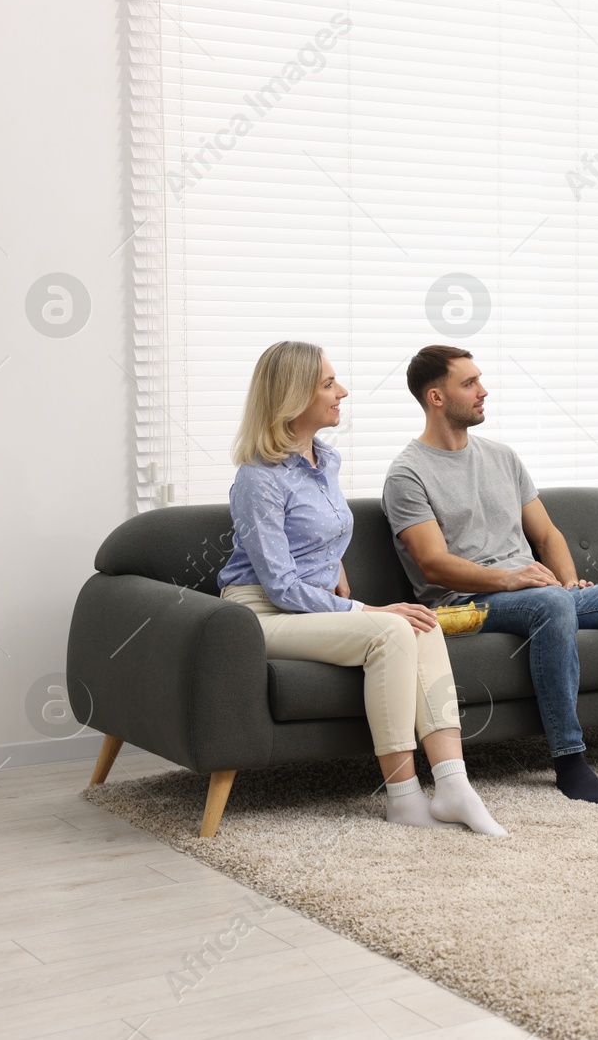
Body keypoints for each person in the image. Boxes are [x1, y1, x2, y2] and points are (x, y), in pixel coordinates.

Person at [382, 344, 598, 806]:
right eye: (469, 383)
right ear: (436, 397)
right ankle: (569, 761)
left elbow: (548, 534)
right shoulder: (407, 473)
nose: (483, 390)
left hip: (534, 593)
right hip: (461, 605)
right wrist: (513, 580)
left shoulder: (502, 457)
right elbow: (433, 563)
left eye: (479, 380)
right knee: (549, 603)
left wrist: (568, 582)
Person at [217, 341, 505, 836]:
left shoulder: (324, 460)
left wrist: (339, 574)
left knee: (421, 620)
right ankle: (402, 797)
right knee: (393, 628)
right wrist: (361, 607)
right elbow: (280, 584)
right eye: (329, 384)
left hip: (308, 609)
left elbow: (321, 541)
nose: (342, 392)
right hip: (258, 615)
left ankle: (453, 784)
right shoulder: (258, 479)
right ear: (293, 396)